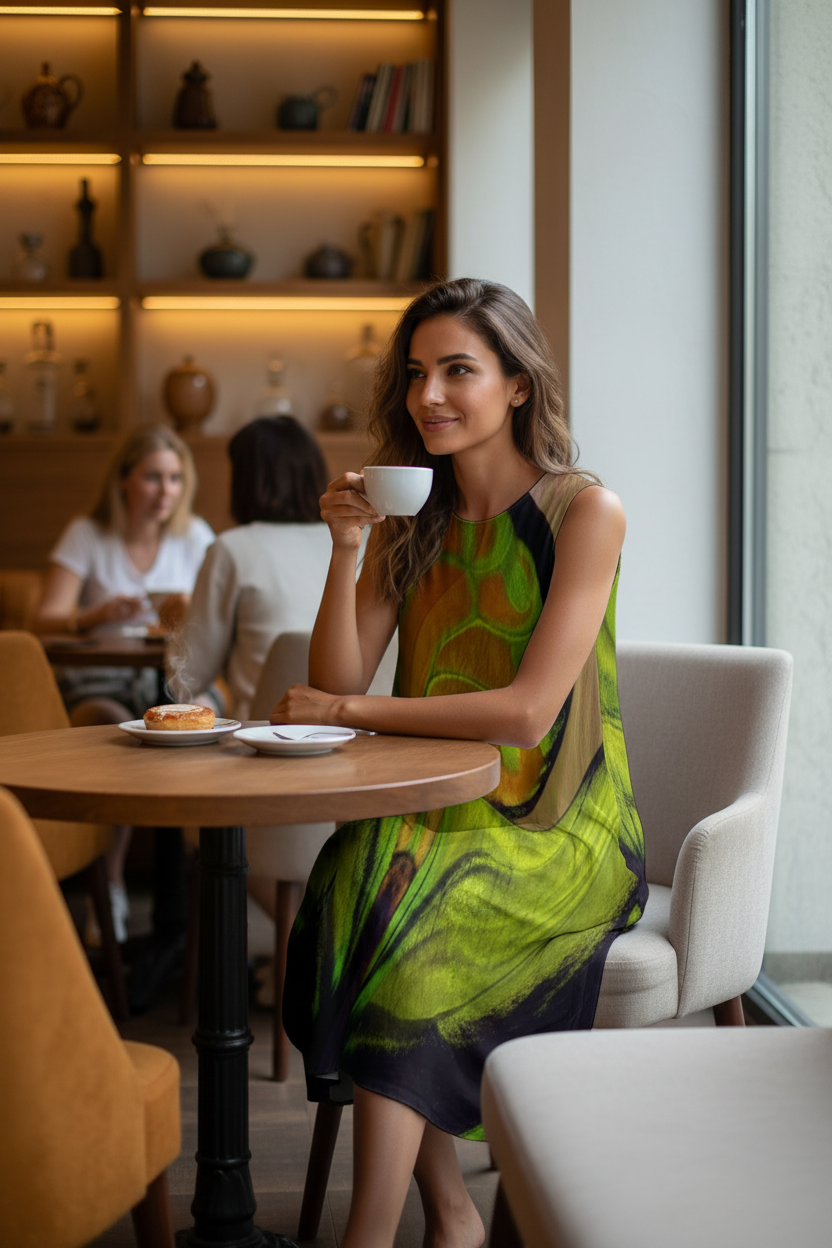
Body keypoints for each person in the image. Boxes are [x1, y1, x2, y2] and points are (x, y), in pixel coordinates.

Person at [271, 277, 649, 1248]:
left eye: (457, 371)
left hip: (560, 828)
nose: (427, 395)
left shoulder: (582, 510)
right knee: (350, 887)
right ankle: (448, 1215)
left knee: (402, 924)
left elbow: (526, 717)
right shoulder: (417, 516)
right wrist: (347, 549)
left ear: (518, 383)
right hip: (439, 810)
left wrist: (349, 710)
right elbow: (337, 669)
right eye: (414, 374)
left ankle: (367, 1236)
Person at [34, 425, 214, 942]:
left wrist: (186, 618)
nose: (166, 492)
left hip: (171, 679)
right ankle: (110, 883)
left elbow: (219, 620)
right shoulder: (87, 534)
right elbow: (44, 620)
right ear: (123, 481)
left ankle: (200, 886)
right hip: (98, 679)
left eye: (176, 479)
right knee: (116, 730)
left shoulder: (195, 535)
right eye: (154, 477)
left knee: (205, 711)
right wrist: (94, 615)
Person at [168, 415, 332, 721]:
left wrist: (180, 620)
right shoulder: (359, 544)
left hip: (262, 741)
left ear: (244, 479)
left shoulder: (232, 548)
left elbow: (185, 680)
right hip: (357, 739)